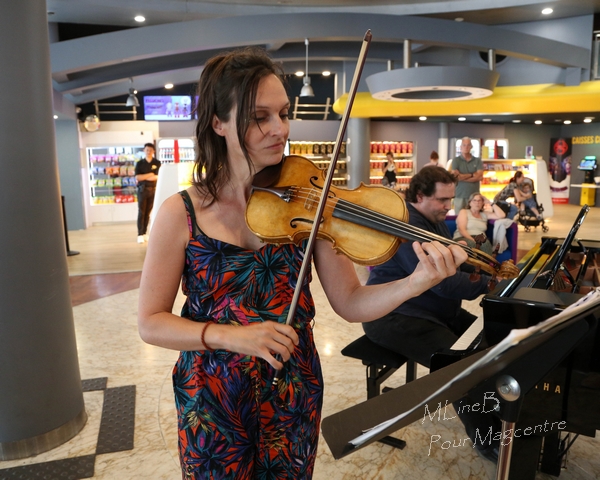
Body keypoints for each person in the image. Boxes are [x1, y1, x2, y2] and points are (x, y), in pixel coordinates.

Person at [136, 47, 467, 479]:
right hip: (212, 395)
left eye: (284, 113)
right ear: (218, 122)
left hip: (293, 387)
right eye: (260, 117)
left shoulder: (309, 206)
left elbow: (350, 302)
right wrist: (235, 337)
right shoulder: (181, 213)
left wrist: (416, 281)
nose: (280, 129)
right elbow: (151, 322)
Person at [362, 166, 500, 462]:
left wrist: (487, 269)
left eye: (451, 199)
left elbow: (454, 262)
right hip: (392, 316)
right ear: (420, 195)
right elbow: (443, 283)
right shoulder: (407, 227)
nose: (448, 207)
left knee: (490, 339)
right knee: (461, 369)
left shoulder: (433, 221)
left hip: (430, 311)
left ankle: (502, 413)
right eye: (442, 200)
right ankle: (489, 442)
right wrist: (489, 283)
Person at [453, 192, 506, 256]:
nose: (477, 203)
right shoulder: (464, 211)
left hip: (481, 239)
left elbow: (502, 215)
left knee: (486, 244)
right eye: (474, 200)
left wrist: (490, 203)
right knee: (473, 245)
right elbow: (461, 229)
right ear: (470, 202)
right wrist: (473, 240)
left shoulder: (485, 214)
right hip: (463, 237)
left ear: (483, 203)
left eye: (479, 200)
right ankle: (474, 266)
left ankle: (486, 265)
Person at [134, 142, 161, 243]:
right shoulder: (140, 163)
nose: (148, 151)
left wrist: (144, 176)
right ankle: (140, 233)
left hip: (153, 190)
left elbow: (157, 176)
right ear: (144, 151)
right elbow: (137, 177)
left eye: (150, 150)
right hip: (142, 190)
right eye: (147, 150)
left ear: (153, 151)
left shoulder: (157, 163)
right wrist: (150, 174)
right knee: (141, 212)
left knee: (148, 213)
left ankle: (145, 233)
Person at [450, 137, 483, 212]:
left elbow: (479, 176)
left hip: (474, 197)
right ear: (460, 147)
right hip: (459, 195)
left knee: (473, 218)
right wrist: (472, 174)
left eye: (468, 145)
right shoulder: (456, 160)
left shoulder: (477, 161)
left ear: (471, 147)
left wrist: (462, 176)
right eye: (464, 145)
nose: (466, 147)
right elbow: (456, 177)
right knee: (459, 219)